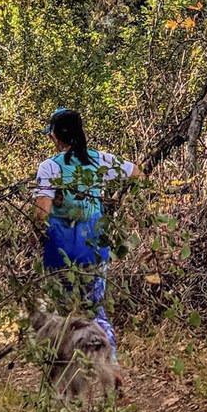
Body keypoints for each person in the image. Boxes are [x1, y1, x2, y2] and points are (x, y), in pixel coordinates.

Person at [33, 107, 134, 355]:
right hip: (94, 247)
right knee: (94, 308)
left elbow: (40, 215)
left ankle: (70, 365)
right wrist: (123, 205)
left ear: (55, 136)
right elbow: (137, 174)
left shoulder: (49, 167)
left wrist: (40, 233)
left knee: (62, 311)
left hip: (61, 249)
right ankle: (109, 361)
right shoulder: (100, 160)